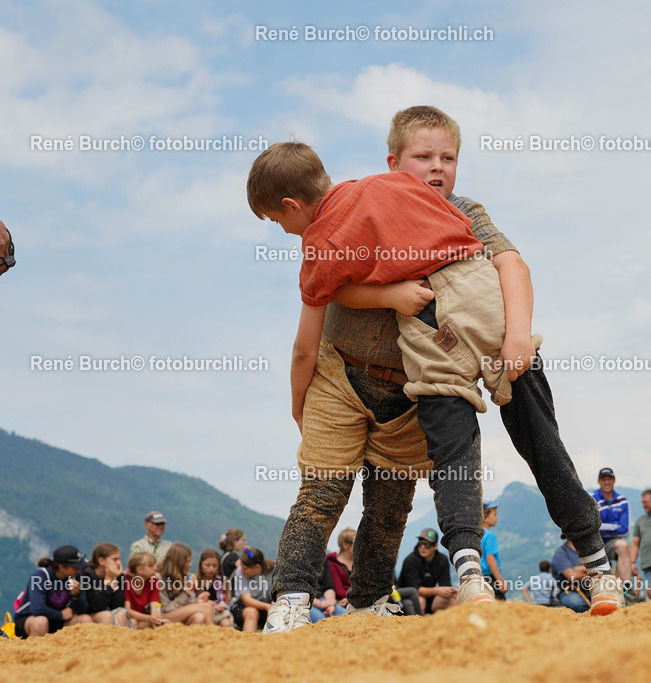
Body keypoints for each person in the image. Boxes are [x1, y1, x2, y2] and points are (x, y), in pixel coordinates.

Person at [247, 107, 622, 631]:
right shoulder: (355, 211)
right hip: (342, 372)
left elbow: (510, 262)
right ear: (392, 164)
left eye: (448, 157)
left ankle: (372, 599)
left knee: (391, 497)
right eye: (423, 157)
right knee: (324, 486)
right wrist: (389, 296)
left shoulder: (464, 212)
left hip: (415, 383)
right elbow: (318, 305)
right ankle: (289, 600)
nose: (437, 167)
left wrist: (517, 333)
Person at [13, 546, 92, 638]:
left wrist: (76, 596)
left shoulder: (76, 576)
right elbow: (37, 609)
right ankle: (34, 651)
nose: (78, 569)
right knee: (41, 622)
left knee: (85, 620)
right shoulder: (40, 576)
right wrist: (61, 615)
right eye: (75, 567)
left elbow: (82, 610)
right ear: (61, 567)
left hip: (56, 621)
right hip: (29, 619)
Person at [592, 467, 635, 591]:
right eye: (604, 479)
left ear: (614, 480)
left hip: (612, 544)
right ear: (599, 481)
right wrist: (615, 526)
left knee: (622, 545)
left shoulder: (623, 501)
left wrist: (601, 526)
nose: (607, 482)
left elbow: (626, 530)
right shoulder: (591, 498)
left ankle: (627, 586)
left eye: (609, 479)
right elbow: (592, 526)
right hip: (594, 543)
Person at [397, 528, 456, 615]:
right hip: (408, 598)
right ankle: (421, 625)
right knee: (421, 599)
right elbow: (416, 590)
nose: (423, 547)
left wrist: (451, 592)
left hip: (430, 597)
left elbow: (445, 586)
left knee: (452, 599)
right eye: (420, 544)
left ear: (435, 546)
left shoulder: (442, 559)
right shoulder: (410, 560)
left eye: (427, 544)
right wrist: (438, 590)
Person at [158, 542, 215, 626]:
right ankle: (214, 635)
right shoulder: (159, 578)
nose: (190, 565)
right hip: (162, 617)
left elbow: (186, 605)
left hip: (177, 615)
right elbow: (166, 609)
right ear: (179, 563)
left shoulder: (184, 577)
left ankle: (191, 639)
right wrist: (187, 591)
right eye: (188, 562)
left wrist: (197, 601)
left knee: (199, 616)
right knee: (205, 607)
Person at [81, 542, 130, 627]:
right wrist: (107, 582)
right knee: (106, 615)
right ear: (101, 561)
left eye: (119, 559)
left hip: (107, 613)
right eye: (115, 559)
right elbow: (95, 607)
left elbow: (118, 605)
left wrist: (114, 580)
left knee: (121, 613)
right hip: (88, 615)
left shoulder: (119, 576)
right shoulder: (87, 575)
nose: (118, 563)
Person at [230, 548, 275, 632]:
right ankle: (249, 643)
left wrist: (274, 603)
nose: (242, 570)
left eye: (245, 568)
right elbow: (247, 600)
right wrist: (267, 606)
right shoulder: (240, 572)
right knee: (252, 612)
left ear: (257, 567)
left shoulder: (272, 570)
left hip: (266, 607)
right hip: (243, 608)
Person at [124, 552, 166, 629]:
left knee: (160, 623)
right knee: (133, 622)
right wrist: (151, 618)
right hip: (128, 619)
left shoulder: (153, 582)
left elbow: (155, 605)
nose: (155, 568)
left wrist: (156, 619)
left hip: (143, 619)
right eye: (151, 566)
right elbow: (128, 611)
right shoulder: (126, 581)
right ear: (139, 570)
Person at [194, 548, 233, 627]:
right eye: (207, 565)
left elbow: (224, 599)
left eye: (214, 566)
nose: (211, 569)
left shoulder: (221, 580)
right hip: (200, 610)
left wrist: (221, 606)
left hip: (217, 612)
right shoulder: (194, 580)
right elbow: (190, 600)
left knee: (226, 623)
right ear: (201, 564)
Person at [551, 537, 590, 612]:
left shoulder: (588, 549)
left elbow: (602, 568)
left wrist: (576, 569)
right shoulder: (561, 552)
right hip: (569, 590)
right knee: (577, 603)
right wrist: (590, 570)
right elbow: (572, 576)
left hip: (592, 588)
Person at [481, 500, 508, 600]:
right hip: (490, 579)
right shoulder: (490, 536)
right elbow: (490, 559)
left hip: (479, 579)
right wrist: (500, 581)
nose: (497, 517)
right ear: (485, 518)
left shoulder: (476, 536)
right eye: (494, 514)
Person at [325, 528, 354, 609]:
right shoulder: (332, 564)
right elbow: (340, 592)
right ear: (345, 545)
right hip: (342, 603)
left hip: (354, 598)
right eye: (356, 543)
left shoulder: (358, 563)